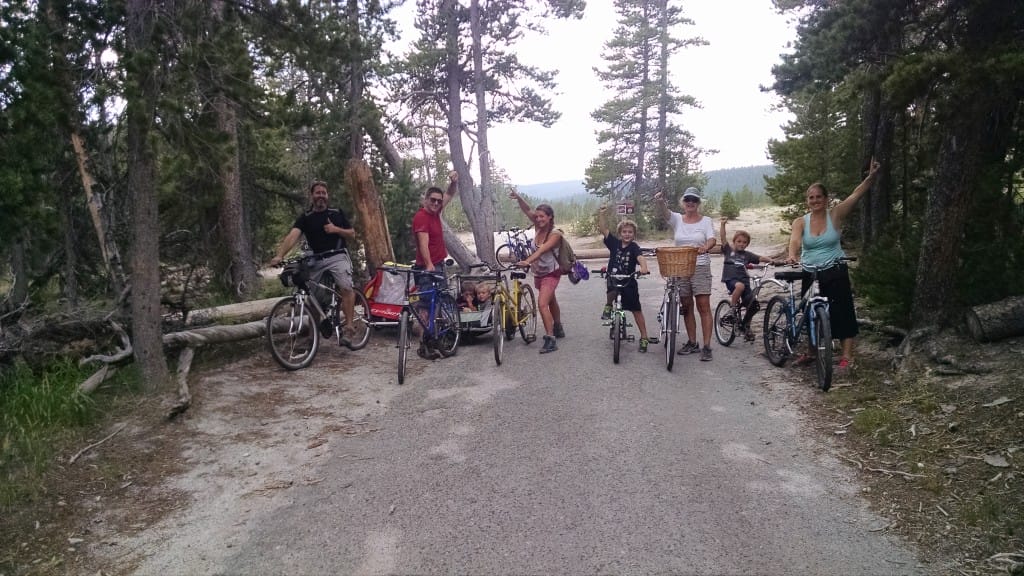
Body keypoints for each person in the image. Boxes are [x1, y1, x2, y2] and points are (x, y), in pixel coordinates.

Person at [787, 159, 881, 371]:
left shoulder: (835, 214)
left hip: (835, 269)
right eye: (811, 198)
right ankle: (812, 352)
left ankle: (847, 355)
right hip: (810, 272)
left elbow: (856, 194)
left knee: (842, 310)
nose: (815, 200)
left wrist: (871, 177)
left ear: (826, 199)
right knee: (810, 311)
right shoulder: (801, 221)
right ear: (807, 201)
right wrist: (792, 255)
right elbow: (794, 240)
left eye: (819, 197)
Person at [269, 180, 358, 347]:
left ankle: (349, 328)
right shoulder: (306, 218)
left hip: (337, 256)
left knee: (345, 287)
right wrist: (279, 255)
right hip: (316, 259)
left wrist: (336, 229)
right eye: (318, 193)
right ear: (312, 196)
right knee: (312, 298)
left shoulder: (336, 213)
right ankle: (313, 337)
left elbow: (352, 233)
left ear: (327, 196)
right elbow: (293, 235)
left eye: (324, 193)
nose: (321, 196)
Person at [654, 187, 716, 361]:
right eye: (688, 199)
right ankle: (692, 341)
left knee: (703, 305)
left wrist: (706, 247)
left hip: (700, 266)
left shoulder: (706, 221)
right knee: (687, 305)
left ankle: (707, 346)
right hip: (680, 267)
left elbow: (712, 238)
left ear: (698, 203)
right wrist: (660, 201)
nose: (690, 203)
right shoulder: (678, 219)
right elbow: (665, 213)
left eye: (694, 200)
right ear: (683, 202)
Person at [510, 189, 565, 354]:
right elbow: (527, 210)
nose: (539, 219)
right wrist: (519, 198)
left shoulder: (555, 234)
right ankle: (558, 326)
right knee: (550, 300)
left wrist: (527, 261)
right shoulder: (538, 228)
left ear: (550, 217)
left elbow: (541, 251)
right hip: (539, 273)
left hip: (551, 273)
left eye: (543, 216)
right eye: (538, 216)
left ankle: (550, 339)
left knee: (542, 303)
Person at [411, 170, 459, 359]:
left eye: (438, 201)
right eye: (433, 200)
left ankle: (436, 339)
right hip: (427, 267)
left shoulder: (435, 211)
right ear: (426, 200)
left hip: (439, 264)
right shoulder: (422, 217)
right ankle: (425, 344)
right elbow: (423, 243)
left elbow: (449, 194)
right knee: (426, 305)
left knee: (438, 301)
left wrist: (453, 182)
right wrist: (429, 264)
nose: (437, 203)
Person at [597, 205, 657, 353]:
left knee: (636, 309)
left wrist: (643, 268)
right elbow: (603, 229)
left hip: (629, 281)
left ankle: (644, 337)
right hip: (614, 278)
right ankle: (608, 305)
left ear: (634, 234)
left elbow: (640, 258)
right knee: (611, 287)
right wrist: (602, 214)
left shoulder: (634, 247)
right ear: (619, 233)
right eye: (624, 231)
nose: (627, 234)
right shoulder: (614, 243)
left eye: (630, 232)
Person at [719, 217, 776, 340]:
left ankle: (745, 327)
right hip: (731, 280)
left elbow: (760, 258)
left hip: (745, 282)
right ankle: (732, 310)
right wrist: (723, 225)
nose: (741, 244)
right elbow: (723, 238)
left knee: (753, 304)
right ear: (734, 242)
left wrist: (771, 260)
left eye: (744, 242)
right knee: (740, 286)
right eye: (739, 241)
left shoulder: (747, 255)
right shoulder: (728, 251)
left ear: (747, 244)